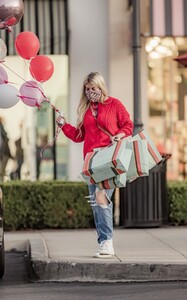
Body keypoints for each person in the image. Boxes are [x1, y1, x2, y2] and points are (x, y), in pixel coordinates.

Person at [56, 72, 134, 258]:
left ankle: (107, 242)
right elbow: (79, 136)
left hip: (109, 158)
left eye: (94, 88)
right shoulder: (85, 109)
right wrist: (63, 125)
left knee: (101, 198)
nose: (91, 92)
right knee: (96, 203)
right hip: (91, 160)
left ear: (101, 87)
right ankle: (104, 242)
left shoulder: (114, 104)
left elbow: (128, 125)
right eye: (88, 89)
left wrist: (120, 135)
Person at [0, 117, 13, 181]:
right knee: (2, 171)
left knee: (2, 171)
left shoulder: (3, 132)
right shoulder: (2, 130)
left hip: (4, 154)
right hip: (3, 154)